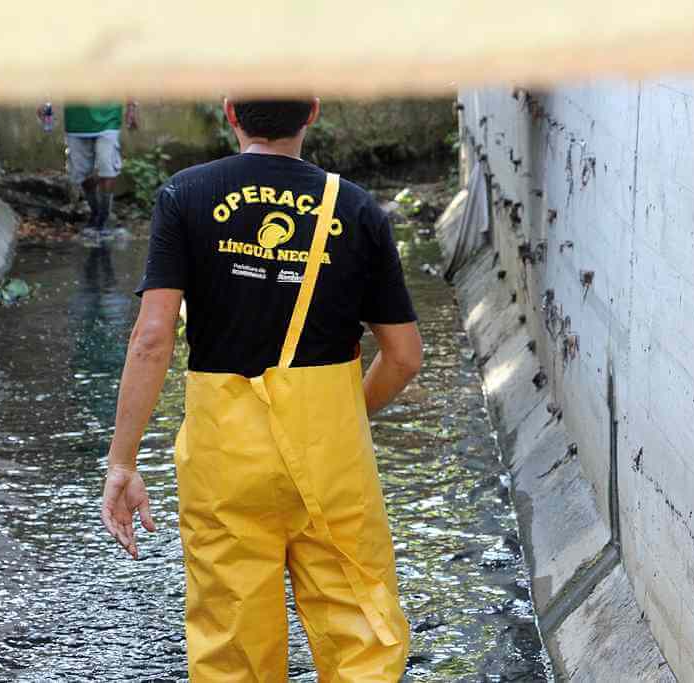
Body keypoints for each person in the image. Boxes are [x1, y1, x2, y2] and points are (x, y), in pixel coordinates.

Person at [100, 98, 423, 682]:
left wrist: (123, 461)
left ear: (230, 113)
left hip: (225, 458)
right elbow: (403, 357)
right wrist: (343, 417)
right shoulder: (355, 208)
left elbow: (152, 339)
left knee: (232, 644)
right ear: (313, 112)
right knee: (361, 632)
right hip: (330, 460)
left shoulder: (185, 196)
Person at [62, 100, 138, 235]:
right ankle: (96, 213)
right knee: (82, 175)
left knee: (107, 168)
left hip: (108, 118)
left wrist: (131, 107)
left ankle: (104, 218)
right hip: (76, 122)